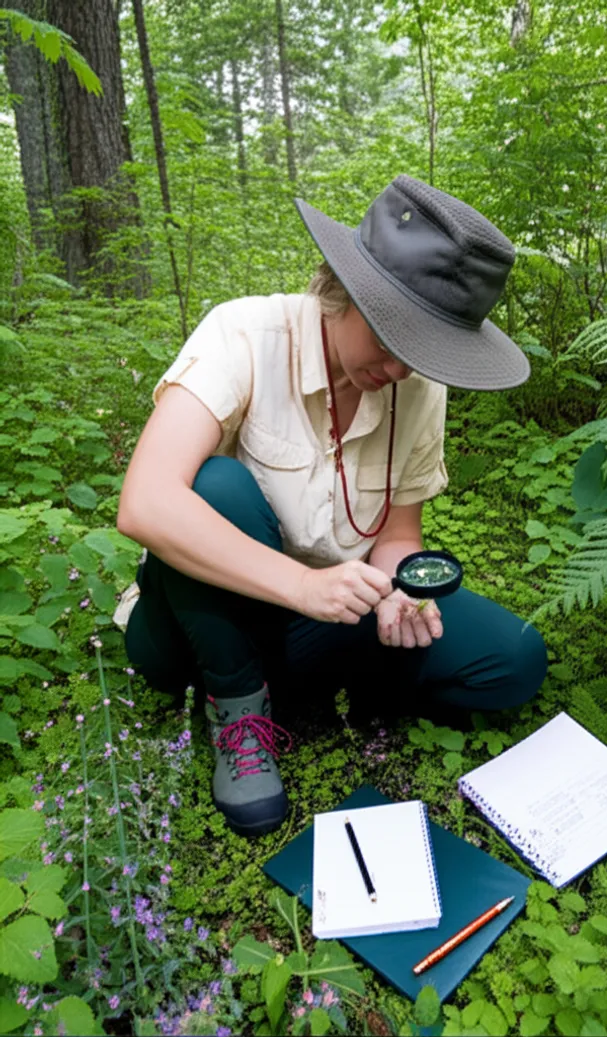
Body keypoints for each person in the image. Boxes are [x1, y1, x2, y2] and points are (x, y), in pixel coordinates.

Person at [115, 174, 548, 838]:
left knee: (513, 657)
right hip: (199, 620)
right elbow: (145, 503)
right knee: (216, 486)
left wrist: (401, 589)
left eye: (425, 349)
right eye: (396, 338)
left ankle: (293, 689)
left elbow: (399, 533)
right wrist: (303, 584)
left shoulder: (417, 386)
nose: (403, 368)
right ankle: (239, 709)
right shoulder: (245, 333)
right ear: (342, 291)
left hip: (320, 615)